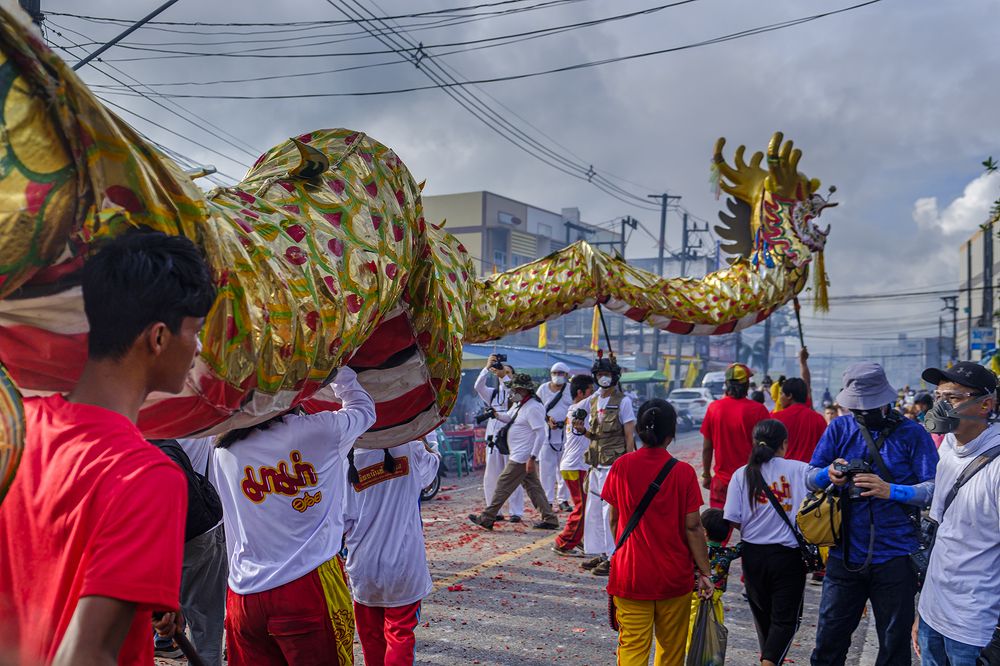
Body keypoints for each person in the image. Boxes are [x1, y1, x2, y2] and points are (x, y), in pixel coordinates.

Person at [0, 230, 216, 664]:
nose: (197, 350)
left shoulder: (19, 429)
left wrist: (139, 600)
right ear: (157, 338)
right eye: (194, 331)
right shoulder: (148, 476)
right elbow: (86, 654)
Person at [212, 367, 377, 665]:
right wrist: (338, 370)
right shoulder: (320, 431)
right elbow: (365, 409)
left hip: (243, 597)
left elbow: (231, 529)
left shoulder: (224, 450)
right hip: (307, 587)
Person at [807, 362, 938, 666]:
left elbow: (933, 489)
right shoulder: (840, 428)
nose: (863, 413)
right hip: (844, 555)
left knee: (893, 648)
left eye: (870, 406)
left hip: (896, 557)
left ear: (886, 400)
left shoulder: (912, 434)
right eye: (857, 408)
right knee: (828, 642)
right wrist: (830, 474)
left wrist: (889, 490)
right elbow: (809, 477)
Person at [601, 399, 713, 666]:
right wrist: (705, 572)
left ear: (639, 430)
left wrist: (625, 549)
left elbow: (615, 519)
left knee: (632, 648)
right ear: (671, 434)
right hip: (673, 577)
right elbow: (694, 527)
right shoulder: (683, 473)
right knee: (671, 650)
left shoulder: (621, 466)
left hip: (630, 574)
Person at [914, 363, 1000, 666]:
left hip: (975, 626)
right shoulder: (948, 448)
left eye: (951, 398)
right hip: (933, 614)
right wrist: (922, 610)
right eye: (938, 396)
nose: (939, 405)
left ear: (985, 404)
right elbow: (941, 532)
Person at [343, 438, 441, 666]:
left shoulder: (347, 457)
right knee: (400, 636)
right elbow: (431, 471)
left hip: (363, 566)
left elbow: (342, 519)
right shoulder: (411, 447)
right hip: (404, 565)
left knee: (371, 638)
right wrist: (426, 437)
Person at [725, 419, 811, 666]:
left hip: (753, 557)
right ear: (784, 444)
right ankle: (769, 662)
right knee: (786, 620)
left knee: (763, 618)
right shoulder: (801, 470)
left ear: (754, 443)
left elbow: (733, 517)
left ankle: (769, 659)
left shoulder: (742, 474)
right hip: (788, 557)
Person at [151, 437, 228, 666]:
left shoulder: (128, 429)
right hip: (198, 530)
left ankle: (163, 642)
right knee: (204, 623)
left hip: (155, 536)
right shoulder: (198, 418)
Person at [469, 373, 560, 530]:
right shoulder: (521, 405)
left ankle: (487, 517)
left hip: (522, 456)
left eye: (515, 390)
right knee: (534, 488)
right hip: (519, 454)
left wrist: (532, 457)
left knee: (503, 483)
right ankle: (550, 518)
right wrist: (495, 414)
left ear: (523, 390)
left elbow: (541, 434)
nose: (511, 393)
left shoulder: (533, 407)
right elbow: (508, 418)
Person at [574, 355, 637, 577]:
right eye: (600, 375)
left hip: (615, 464)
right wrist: (582, 430)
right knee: (592, 511)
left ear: (615, 377)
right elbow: (594, 433)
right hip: (595, 463)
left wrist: (631, 464)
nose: (603, 378)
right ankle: (600, 552)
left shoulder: (624, 402)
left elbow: (629, 435)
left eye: (607, 375)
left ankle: (613, 557)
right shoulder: (592, 401)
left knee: (609, 512)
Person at [700, 363, 769, 509]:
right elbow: (766, 448)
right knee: (751, 530)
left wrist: (706, 474)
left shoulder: (714, 408)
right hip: (751, 481)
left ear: (726, 384)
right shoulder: (759, 410)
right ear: (747, 385)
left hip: (721, 483)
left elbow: (707, 447)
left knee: (718, 529)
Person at [474, 354, 524, 523]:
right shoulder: (493, 394)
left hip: (511, 439)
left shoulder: (518, 395)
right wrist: (487, 368)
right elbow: (478, 386)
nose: (503, 373)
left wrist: (505, 377)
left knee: (512, 475)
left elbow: (514, 396)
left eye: (508, 372)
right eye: (502, 371)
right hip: (493, 440)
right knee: (491, 475)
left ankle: (516, 511)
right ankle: (494, 510)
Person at [552, 374, 596, 556]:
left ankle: (577, 538)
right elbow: (602, 392)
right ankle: (563, 542)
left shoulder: (574, 408)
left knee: (585, 505)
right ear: (580, 393)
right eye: (590, 391)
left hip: (574, 465)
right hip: (575, 465)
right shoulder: (580, 405)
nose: (593, 394)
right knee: (582, 507)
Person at [685, 509, 741, 651]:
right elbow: (743, 547)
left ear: (704, 531)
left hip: (693, 599)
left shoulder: (693, 551)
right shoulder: (727, 554)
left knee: (690, 636)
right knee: (710, 636)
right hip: (715, 602)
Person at [536, 362, 575, 511]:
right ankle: (548, 501)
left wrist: (567, 421)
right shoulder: (543, 389)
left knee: (564, 468)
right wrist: (547, 419)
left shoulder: (570, 390)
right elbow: (537, 408)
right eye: (555, 373)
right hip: (547, 434)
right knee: (546, 470)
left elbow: (575, 407)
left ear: (566, 375)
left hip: (566, 434)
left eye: (560, 373)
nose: (557, 376)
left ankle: (563, 499)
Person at [773, 376, 827, 463]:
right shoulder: (819, 419)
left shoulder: (775, 419)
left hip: (783, 472)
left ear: (789, 396)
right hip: (810, 472)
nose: (780, 398)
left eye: (781, 394)